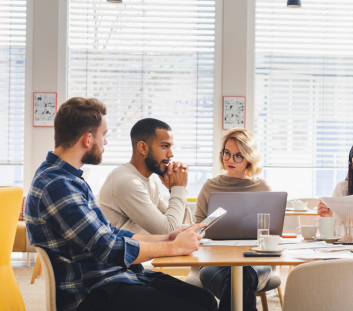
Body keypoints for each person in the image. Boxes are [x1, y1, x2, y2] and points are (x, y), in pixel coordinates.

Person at [25, 97, 217, 311]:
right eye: (103, 135)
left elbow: (110, 232)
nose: (105, 142)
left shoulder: (70, 179)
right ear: (88, 139)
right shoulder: (57, 185)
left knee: (205, 300)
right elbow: (108, 247)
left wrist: (168, 237)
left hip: (113, 277)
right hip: (92, 291)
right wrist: (173, 247)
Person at [187, 128, 273, 311]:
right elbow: (197, 229)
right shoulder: (210, 186)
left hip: (255, 261)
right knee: (240, 282)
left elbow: (271, 230)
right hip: (215, 262)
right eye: (227, 153)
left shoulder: (262, 187)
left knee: (242, 276)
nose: (230, 160)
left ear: (249, 157)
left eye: (238, 155)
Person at [99, 118, 190, 235]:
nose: (171, 154)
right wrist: (179, 187)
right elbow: (169, 231)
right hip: (121, 252)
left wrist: (174, 189)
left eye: (171, 146)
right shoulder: (127, 182)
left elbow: (177, 223)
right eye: (164, 146)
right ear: (143, 148)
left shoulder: (150, 181)